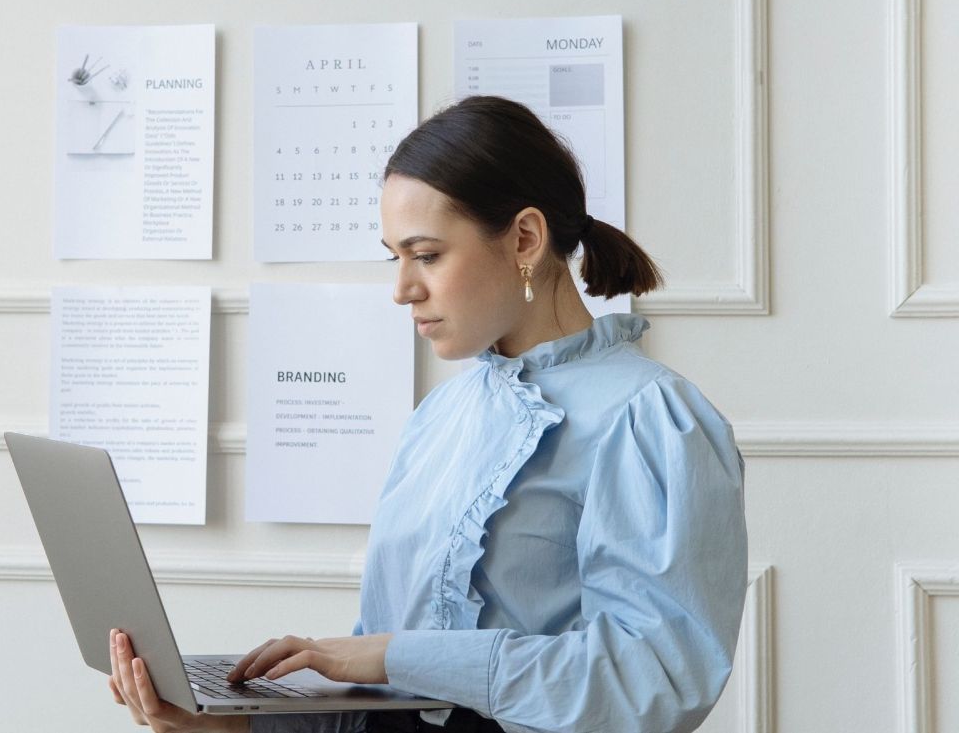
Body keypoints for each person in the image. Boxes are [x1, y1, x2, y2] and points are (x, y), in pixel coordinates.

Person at [108, 95, 748, 733]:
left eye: (428, 255)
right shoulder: (439, 416)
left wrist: (394, 655)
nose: (402, 288)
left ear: (525, 238)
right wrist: (232, 725)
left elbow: (652, 684)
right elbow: (377, 699)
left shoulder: (650, 418)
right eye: (396, 257)